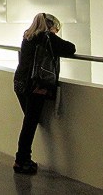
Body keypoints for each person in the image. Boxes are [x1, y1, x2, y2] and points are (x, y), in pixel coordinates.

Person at [12, 12, 76, 174]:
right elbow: (70, 48)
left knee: (29, 121)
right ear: (50, 26)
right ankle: (22, 160)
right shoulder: (46, 37)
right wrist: (53, 37)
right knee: (30, 124)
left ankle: (23, 158)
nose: (56, 32)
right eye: (56, 29)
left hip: (20, 83)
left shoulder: (28, 36)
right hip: (36, 86)